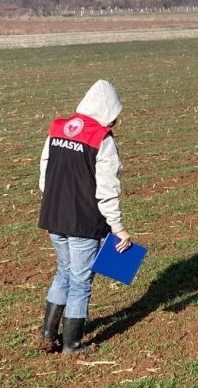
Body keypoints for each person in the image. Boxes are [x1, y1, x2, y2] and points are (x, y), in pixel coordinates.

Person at [37, 80, 133, 355]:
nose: (114, 122)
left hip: (53, 215)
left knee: (64, 271)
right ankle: (72, 345)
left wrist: (55, 201)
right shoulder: (101, 139)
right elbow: (106, 189)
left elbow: (45, 173)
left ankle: (47, 334)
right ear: (107, 111)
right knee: (81, 280)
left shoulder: (57, 129)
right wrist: (118, 228)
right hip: (82, 221)